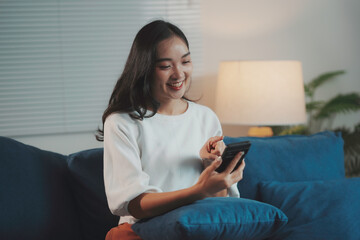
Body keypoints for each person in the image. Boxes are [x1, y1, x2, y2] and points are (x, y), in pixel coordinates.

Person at [96, 20, 246, 240]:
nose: (179, 74)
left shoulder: (205, 117)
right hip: (144, 231)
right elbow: (134, 205)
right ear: (144, 69)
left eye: (185, 61)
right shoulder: (122, 123)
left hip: (198, 227)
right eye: (165, 66)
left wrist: (212, 169)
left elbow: (220, 199)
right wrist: (198, 190)